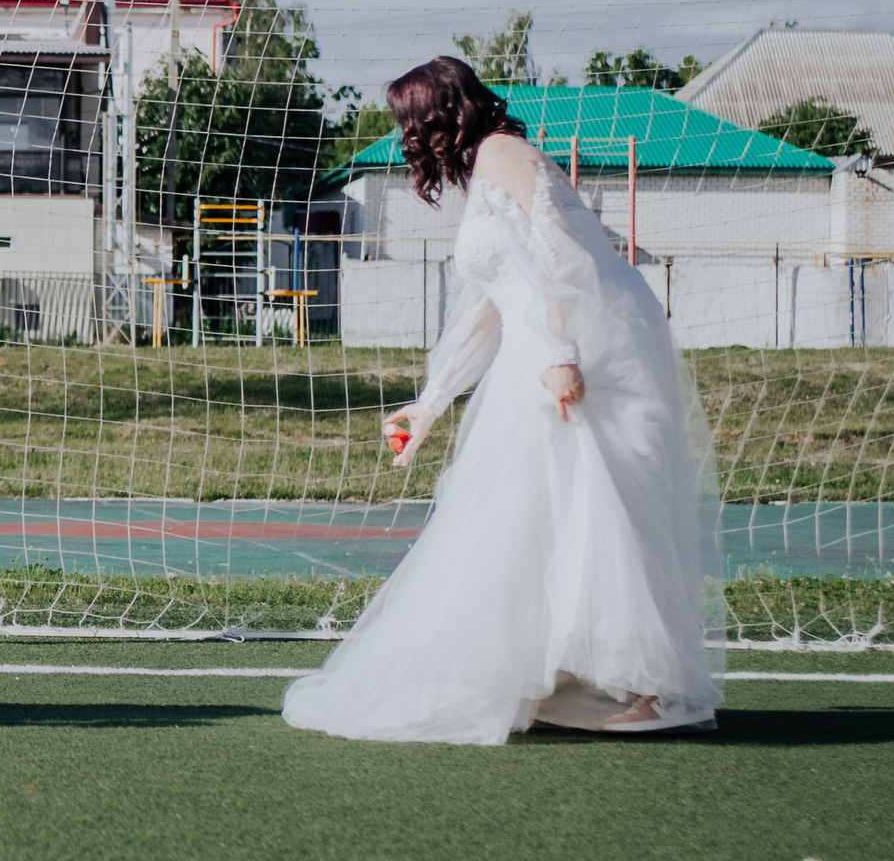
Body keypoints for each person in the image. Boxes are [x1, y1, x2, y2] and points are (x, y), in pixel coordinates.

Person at [282, 55, 722, 745]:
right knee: (534, 500)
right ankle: (554, 674)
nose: (406, 136)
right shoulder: (483, 174)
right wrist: (430, 401)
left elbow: (561, 257)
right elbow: (489, 301)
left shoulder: (506, 155)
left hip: (588, 338)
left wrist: (559, 355)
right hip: (544, 341)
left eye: (410, 120)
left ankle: (662, 689)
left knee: (600, 497)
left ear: (440, 113)